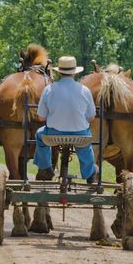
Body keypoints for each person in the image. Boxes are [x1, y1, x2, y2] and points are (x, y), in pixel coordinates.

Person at [33, 55, 98, 184]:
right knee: (85, 144)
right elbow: (91, 117)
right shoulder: (85, 90)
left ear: (59, 72)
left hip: (53, 136)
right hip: (80, 136)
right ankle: (90, 174)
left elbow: (41, 117)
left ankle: (45, 168)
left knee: (40, 135)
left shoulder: (48, 90)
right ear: (74, 73)